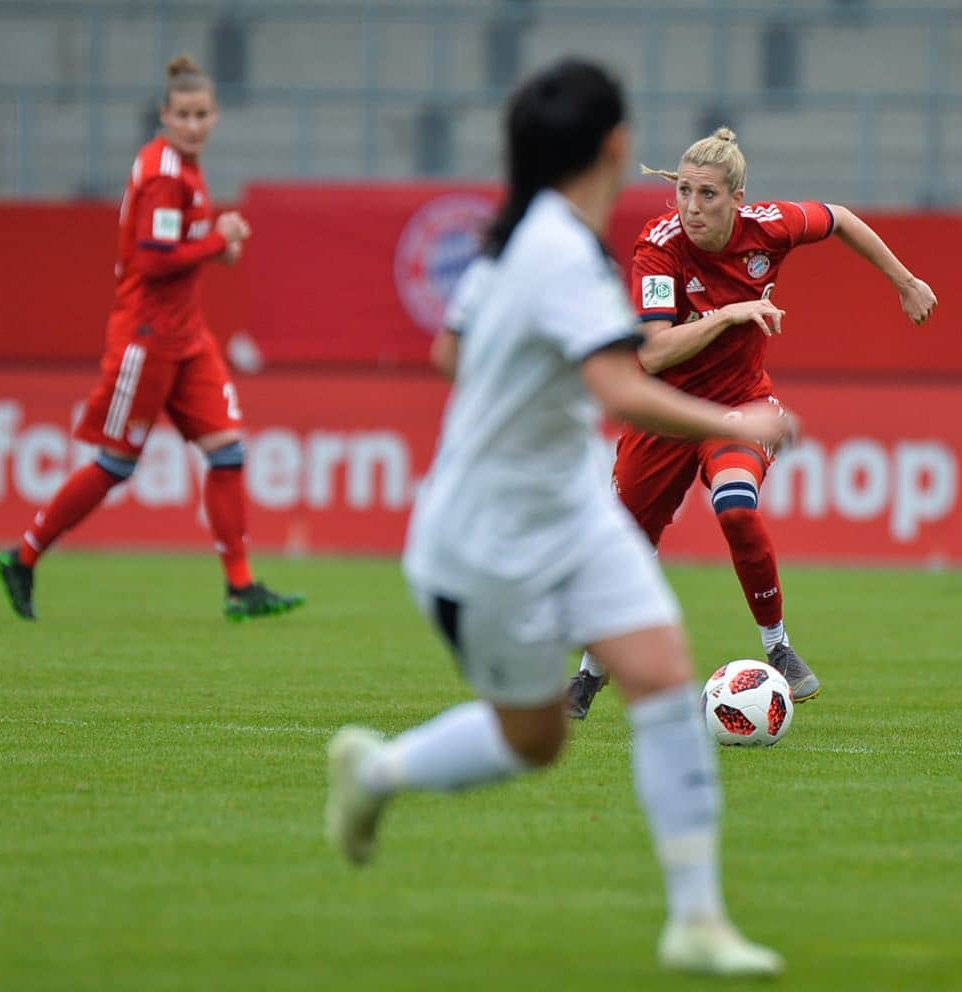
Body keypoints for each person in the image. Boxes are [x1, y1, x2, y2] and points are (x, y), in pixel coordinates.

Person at [325, 59, 798, 977]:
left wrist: (516, 381)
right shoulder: (558, 255)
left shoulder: (514, 242)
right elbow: (626, 380)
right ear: (617, 148)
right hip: (490, 531)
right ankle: (377, 772)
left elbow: (447, 347)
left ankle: (696, 919)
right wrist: (736, 423)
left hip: (566, 506)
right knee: (531, 737)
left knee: (662, 672)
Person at [567, 126, 937, 719]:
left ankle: (779, 648)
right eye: (683, 191)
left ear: (738, 198)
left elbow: (839, 217)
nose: (691, 207)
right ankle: (588, 676)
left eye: (707, 194)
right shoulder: (657, 246)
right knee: (627, 547)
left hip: (738, 410)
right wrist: (731, 312)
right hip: (664, 414)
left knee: (736, 506)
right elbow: (654, 353)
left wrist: (906, 281)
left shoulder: (769, 227)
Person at [0, 55, 303, 623]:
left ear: (216, 116)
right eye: (182, 114)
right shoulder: (164, 173)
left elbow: (180, 247)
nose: (192, 123)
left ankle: (240, 586)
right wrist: (216, 242)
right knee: (116, 464)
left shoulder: (184, 168)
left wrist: (216, 239)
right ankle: (24, 555)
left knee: (228, 453)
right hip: (147, 338)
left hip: (187, 338)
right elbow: (154, 260)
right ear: (164, 115)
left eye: (202, 113)